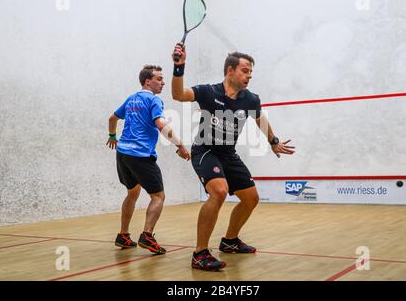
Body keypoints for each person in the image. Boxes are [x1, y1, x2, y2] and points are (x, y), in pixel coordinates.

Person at [171, 44, 296, 270]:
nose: (249, 76)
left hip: (228, 154)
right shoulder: (209, 92)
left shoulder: (251, 99)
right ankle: (200, 253)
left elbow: (259, 119)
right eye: (245, 70)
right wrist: (179, 67)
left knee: (251, 198)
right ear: (230, 70)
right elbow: (178, 94)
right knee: (218, 192)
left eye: (250, 72)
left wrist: (273, 141)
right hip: (205, 150)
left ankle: (229, 241)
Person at [107, 64, 190, 254]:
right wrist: (180, 146)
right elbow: (161, 125)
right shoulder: (154, 100)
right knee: (158, 196)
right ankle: (147, 235)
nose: (162, 82)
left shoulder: (131, 99)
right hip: (141, 155)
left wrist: (112, 136)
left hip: (123, 153)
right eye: (159, 79)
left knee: (132, 193)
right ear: (147, 81)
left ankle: (123, 235)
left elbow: (112, 118)